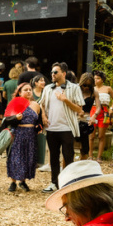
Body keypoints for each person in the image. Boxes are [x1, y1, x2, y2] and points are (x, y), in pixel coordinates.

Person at [40, 63, 84, 192]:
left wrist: (65, 100)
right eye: (52, 72)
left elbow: (79, 109)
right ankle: (54, 183)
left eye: (55, 72)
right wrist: (43, 116)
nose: (52, 74)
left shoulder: (74, 88)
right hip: (51, 128)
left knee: (68, 156)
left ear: (64, 73)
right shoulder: (48, 88)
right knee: (53, 157)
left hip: (67, 128)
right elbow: (42, 104)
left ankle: (68, 184)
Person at [6, 83, 41, 192]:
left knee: (28, 158)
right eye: (25, 90)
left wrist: (38, 127)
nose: (28, 91)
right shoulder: (15, 103)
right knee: (16, 158)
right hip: (18, 133)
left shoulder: (36, 105)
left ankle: (23, 181)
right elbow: (6, 120)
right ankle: (13, 182)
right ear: (20, 92)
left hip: (31, 135)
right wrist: (16, 118)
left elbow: (39, 120)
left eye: (30, 89)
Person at [89, 71, 113, 160]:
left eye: (98, 78)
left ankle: (99, 156)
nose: (96, 80)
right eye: (94, 78)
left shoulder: (108, 88)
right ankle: (90, 155)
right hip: (93, 111)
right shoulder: (91, 88)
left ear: (102, 80)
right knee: (91, 135)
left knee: (101, 135)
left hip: (104, 111)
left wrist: (112, 108)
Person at [77, 73, 99, 161]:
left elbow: (98, 107)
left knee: (84, 147)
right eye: (84, 85)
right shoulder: (77, 90)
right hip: (75, 117)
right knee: (69, 146)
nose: (86, 87)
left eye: (89, 86)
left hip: (86, 119)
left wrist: (95, 115)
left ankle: (82, 164)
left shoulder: (94, 92)